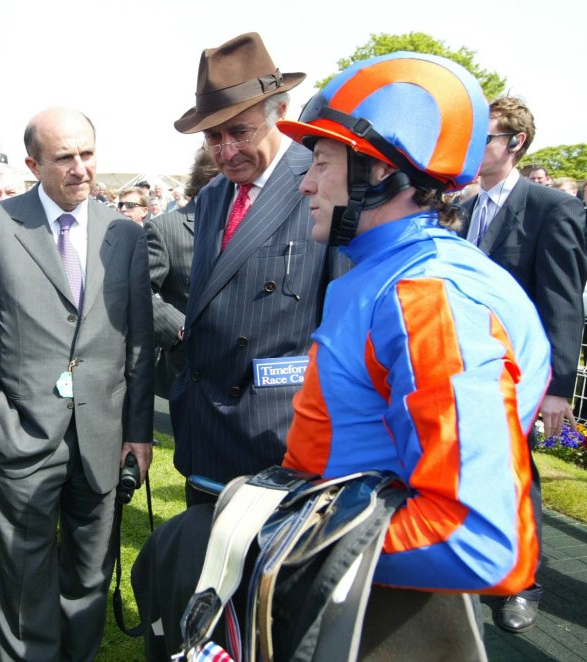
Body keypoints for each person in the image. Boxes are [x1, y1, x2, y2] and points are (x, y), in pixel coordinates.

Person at [134, 51, 551, 661]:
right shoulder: (391, 273)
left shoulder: (430, 297)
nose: (304, 180)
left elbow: (476, 537)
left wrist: (267, 541)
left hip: (372, 614)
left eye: (322, 162)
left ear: (379, 173)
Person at [0, 106, 154, 661]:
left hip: (104, 437)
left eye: (87, 154)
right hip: (24, 438)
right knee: (23, 578)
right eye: (64, 157)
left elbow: (139, 341)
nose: (80, 168)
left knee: (90, 572)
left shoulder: (124, 234)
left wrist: (138, 432)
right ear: (32, 163)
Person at [170, 32, 335, 503]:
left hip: (280, 442)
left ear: (280, 115)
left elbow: (344, 328)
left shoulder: (322, 184)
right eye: (213, 137)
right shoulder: (214, 197)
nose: (224, 152)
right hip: (206, 434)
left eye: (238, 132)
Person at [458, 95, 587, 634]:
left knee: (516, 475)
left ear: (516, 144)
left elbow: (562, 302)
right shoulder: (465, 207)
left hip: (520, 376)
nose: (472, 146)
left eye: (483, 137)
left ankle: (522, 582)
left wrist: (556, 388)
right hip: (465, 371)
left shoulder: (551, 208)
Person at [146, 147, 218, 399]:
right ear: (213, 179)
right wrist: (177, 328)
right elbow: (138, 291)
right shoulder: (166, 228)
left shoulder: (249, 221)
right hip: (187, 367)